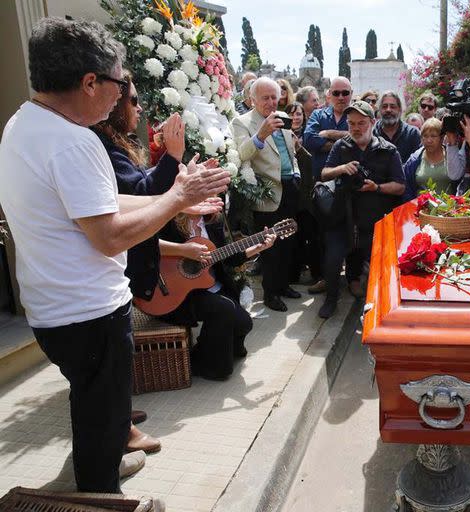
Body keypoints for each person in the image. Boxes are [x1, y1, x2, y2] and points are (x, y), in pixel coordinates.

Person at [0, 17, 231, 494]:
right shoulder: (74, 142)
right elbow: (107, 236)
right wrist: (175, 196)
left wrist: (178, 199)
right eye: (119, 82)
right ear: (90, 82)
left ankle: (96, 467)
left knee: (92, 405)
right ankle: (99, 489)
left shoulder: (24, 125)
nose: (120, 94)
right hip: (87, 313)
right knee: (103, 414)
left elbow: (98, 206)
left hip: (52, 309)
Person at [92, 71, 191, 455]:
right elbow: (141, 191)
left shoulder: (118, 140)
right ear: (114, 106)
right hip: (117, 264)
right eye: (133, 101)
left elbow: (141, 190)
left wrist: (185, 192)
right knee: (108, 361)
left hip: (126, 260)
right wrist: (174, 159)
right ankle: (118, 434)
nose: (140, 108)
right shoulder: (101, 143)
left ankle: (118, 415)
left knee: (114, 364)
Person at [157, 213, 274, 380]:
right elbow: (144, 245)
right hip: (175, 292)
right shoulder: (169, 219)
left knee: (244, 323)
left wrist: (258, 247)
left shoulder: (212, 221)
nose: (212, 199)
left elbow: (229, 258)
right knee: (223, 309)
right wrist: (184, 250)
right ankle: (212, 369)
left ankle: (198, 354)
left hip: (208, 286)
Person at [318, 100, 405, 318]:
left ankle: (381, 306)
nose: (356, 128)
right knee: (333, 258)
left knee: (379, 266)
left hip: (373, 218)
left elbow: (400, 186)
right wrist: (341, 168)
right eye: (351, 124)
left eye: (361, 123)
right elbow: (324, 173)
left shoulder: (388, 150)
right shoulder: (341, 146)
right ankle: (331, 299)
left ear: (373, 123)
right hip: (342, 214)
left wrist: (377, 187)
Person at [231, 77, 301, 312]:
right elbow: (241, 155)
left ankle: (283, 286)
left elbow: (291, 154)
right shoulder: (242, 122)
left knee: (288, 241)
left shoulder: (283, 118)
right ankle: (271, 293)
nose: (272, 102)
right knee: (269, 246)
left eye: (275, 97)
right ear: (252, 100)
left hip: (290, 187)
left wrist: (297, 172)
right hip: (267, 193)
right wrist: (260, 135)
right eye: (266, 98)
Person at [287, 101, 325, 289]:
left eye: (299, 114)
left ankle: (317, 274)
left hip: (306, 195)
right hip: (289, 196)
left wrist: (298, 148)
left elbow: (310, 163)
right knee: (293, 237)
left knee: (311, 236)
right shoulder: (280, 134)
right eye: (292, 114)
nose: (295, 117)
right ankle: (293, 273)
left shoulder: (307, 137)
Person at [304, 77, 352, 181]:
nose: (340, 97)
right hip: (320, 184)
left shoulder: (357, 116)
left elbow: (360, 138)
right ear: (329, 94)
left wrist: (330, 133)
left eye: (345, 93)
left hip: (348, 183)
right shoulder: (318, 115)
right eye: (336, 93)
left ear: (351, 93)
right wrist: (345, 143)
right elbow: (309, 140)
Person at [402, 118, 451, 201]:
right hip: (421, 210)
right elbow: (407, 189)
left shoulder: (451, 156)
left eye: (433, 136)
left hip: (449, 210)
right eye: (425, 136)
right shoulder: (414, 160)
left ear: (442, 137)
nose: (429, 140)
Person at [373, 91, 422, 165]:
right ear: (379, 110)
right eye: (384, 106)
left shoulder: (413, 133)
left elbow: (419, 162)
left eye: (392, 106)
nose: (388, 110)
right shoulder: (372, 133)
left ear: (399, 109)